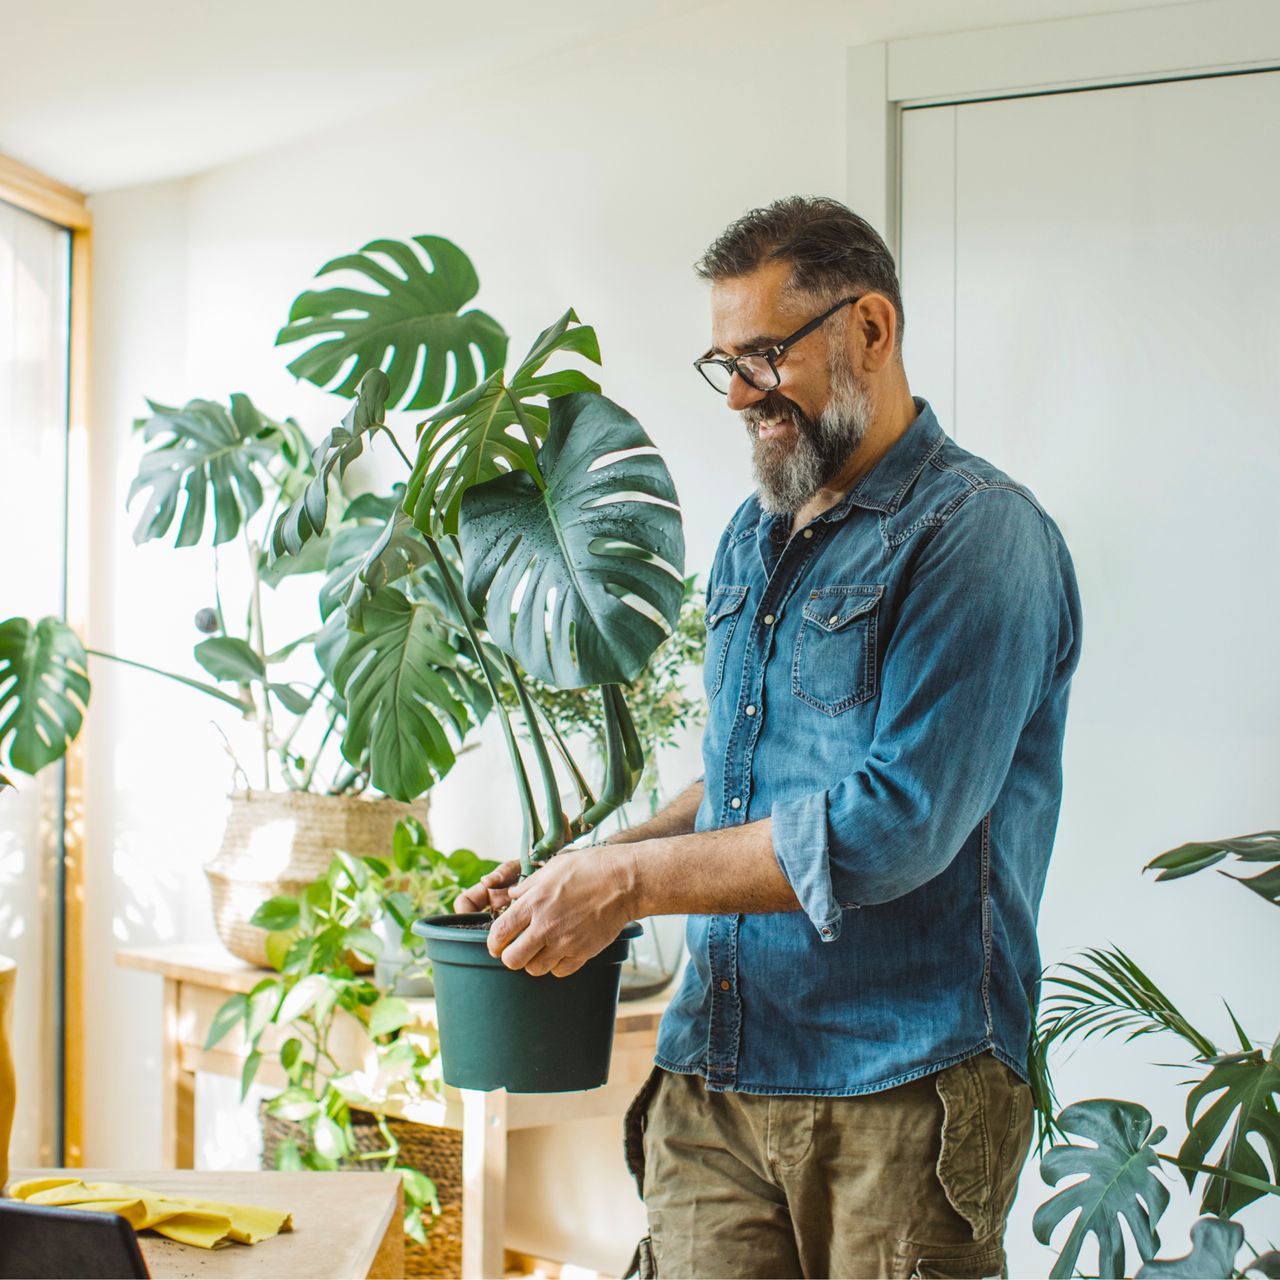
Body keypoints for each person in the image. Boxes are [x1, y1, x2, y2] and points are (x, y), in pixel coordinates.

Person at [456, 195, 1083, 1280]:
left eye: (762, 355)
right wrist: (598, 860)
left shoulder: (981, 537)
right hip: (714, 1073)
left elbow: (893, 825)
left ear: (868, 330)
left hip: (898, 1085)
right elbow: (754, 770)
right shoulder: (753, 536)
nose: (741, 394)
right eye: (724, 363)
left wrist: (633, 883)